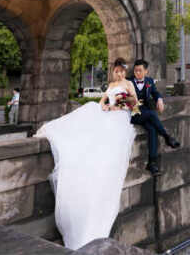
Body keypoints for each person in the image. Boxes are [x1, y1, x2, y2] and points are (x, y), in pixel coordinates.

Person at [34, 58, 137, 249]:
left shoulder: (128, 84)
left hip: (121, 118)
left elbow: (134, 102)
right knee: (90, 109)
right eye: (117, 71)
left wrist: (120, 106)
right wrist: (106, 106)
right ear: (114, 71)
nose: (120, 74)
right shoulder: (112, 84)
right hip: (110, 114)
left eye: (122, 71)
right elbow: (102, 101)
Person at [129, 59, 180, 174]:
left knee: (152, 130)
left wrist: (159, 99)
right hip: (133, 113)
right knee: (152, 113)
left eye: (140, 70)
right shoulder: (129, 82)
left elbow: (155, 92)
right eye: (135, 71)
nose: (137, 73)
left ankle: (151, 163)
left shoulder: (149, 81)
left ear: (146, 71)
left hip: (144, 114)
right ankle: (167, 137)